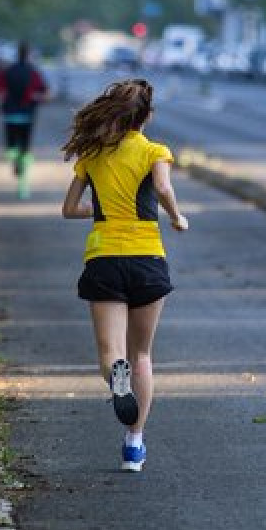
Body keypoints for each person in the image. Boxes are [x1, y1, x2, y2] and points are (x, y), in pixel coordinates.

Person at [60, 78, 189, 473]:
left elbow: (69, 209)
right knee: (143, 354)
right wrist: (175, 215)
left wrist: (101, 214)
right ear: (146, 116)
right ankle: (134, 443)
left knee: (112, 354)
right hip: (147, 257)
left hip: (104, 258)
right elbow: (164, 188)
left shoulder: (93, 155)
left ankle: (117, 378)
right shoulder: (154, 151)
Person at [0, 42, 49, 198]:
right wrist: (35, 98)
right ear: (29, 55)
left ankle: (14, 160)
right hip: (27, 115)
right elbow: (44, 92)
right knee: (25, 149)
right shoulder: (34, 73)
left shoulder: (6, 71)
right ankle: (23, 186)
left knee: (11, 148)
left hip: (10, 115)